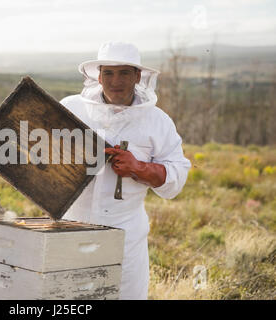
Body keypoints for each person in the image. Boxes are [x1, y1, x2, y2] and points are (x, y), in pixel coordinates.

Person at [60, 42, 191, 299]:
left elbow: (177, 177)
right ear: (98, 76)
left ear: (138, 76)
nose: (115, 81)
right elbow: (34, 147)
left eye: (124, 73)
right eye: (108, 73)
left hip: (126, 236)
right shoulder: (71, 108)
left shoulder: (157, 121)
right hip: (70, 229)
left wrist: (139, 168)